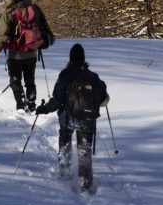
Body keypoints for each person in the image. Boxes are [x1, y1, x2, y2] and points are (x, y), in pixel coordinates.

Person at [36, 42, 109, 192]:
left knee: (65, 141)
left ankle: (64, 172)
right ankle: (85, 182)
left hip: (68, 119)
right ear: (83, 58)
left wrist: (43, 109)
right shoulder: (93, 77)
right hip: (88, 121)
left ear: (70, 58)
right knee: (84, 151)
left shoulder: (65, 75)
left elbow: (57, 100)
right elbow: (103, 99)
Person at [0, 0, 54, 112]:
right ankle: (31, 104)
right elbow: (46, 30)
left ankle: (21, 105)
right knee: (30, 81)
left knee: (15, 81)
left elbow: (2, 35)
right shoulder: (35, 9)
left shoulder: (9, 12)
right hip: (32, 53)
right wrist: (43, 42)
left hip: (15, 55)